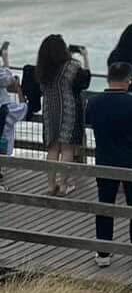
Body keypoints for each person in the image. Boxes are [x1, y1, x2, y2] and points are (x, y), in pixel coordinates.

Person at [85, 61, 132, 268]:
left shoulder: (95, 102)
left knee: (105, 205)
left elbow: (88, 123)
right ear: (128, 80)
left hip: (105, 159)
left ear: (108, 79)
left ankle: (103, 254)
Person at [37, 35, 91, 196]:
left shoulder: (43, 69)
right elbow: (85, 81)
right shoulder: (72, 66)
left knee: (53, 148)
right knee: (67, 148)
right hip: (69, 110)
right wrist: (86, 57)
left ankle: (50, 185)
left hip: (49, 111)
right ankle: (63, 185)